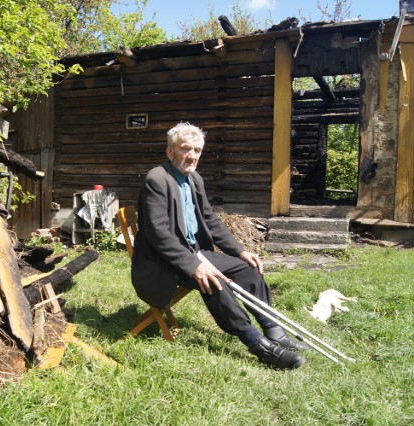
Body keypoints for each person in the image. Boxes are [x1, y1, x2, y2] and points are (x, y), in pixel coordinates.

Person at [131, 122, 308, 369]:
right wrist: (195, 266)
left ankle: (273, 330)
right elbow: (159, 234)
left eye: (196, 150)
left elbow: (210, 220)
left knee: (249, 270)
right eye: (185, 149)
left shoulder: (194, 179)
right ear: (170, 151)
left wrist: (240, 251)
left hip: (195, 252)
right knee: (215, 280)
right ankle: (257, 344)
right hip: (164, 262)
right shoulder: (157, 179)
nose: (191, 156)